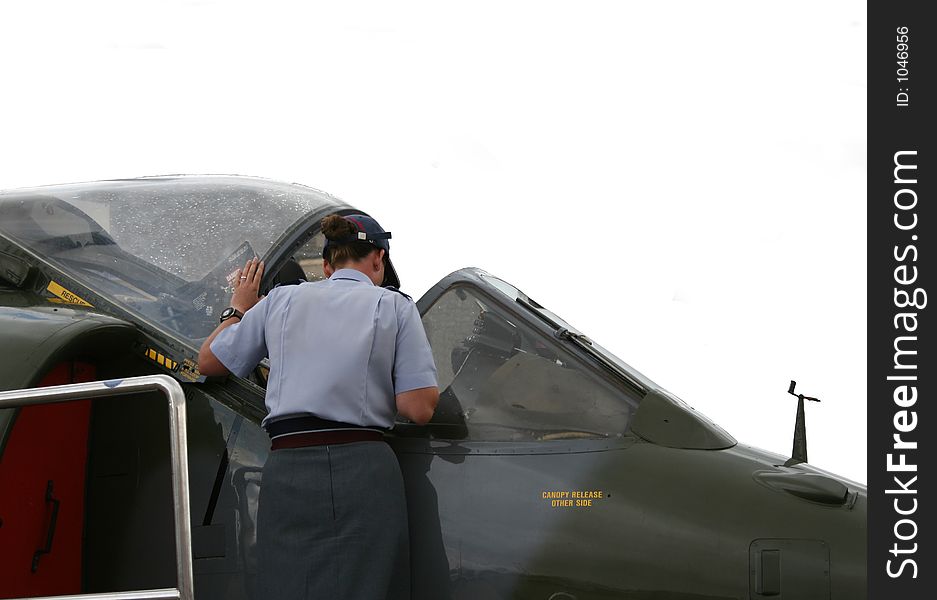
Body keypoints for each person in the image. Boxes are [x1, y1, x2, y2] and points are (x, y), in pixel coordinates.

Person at [197, 213, 439, 600]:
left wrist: (239, 308)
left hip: (288, 471)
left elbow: (208, 362)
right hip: (363, 471)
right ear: (378, 259)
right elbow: (418, 407)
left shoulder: (280, 300)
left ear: (326, 265)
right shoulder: (394, 307)